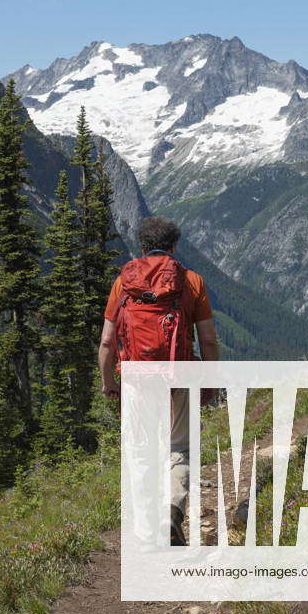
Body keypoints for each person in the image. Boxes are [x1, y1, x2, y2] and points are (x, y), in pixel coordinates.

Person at [98, 216, 219, 545]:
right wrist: (210, 378)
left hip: (137, 378)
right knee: (180, 448)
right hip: (180, 375)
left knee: (140, 451)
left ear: (141, 246)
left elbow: (108, 342)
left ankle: (145, 533)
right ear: (174, 246)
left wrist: (109, 382)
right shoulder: (191, 281)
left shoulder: (123, 284)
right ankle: (172, 512)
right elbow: (207, 339)